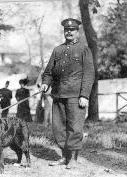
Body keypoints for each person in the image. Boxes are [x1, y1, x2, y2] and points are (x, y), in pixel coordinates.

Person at [41, 18, 95, 169]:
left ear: (78, 32)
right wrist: (46, 83)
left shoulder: (84, 49)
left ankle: (73, 159)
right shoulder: (57, 50)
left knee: (75, 128)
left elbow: (89, 74)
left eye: (72, 30)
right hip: (58, 95)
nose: (69, 32)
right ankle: (64, 157)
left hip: (75, 96)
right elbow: (48, 72)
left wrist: (84, 95)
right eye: (66, 30)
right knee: (59, 128)